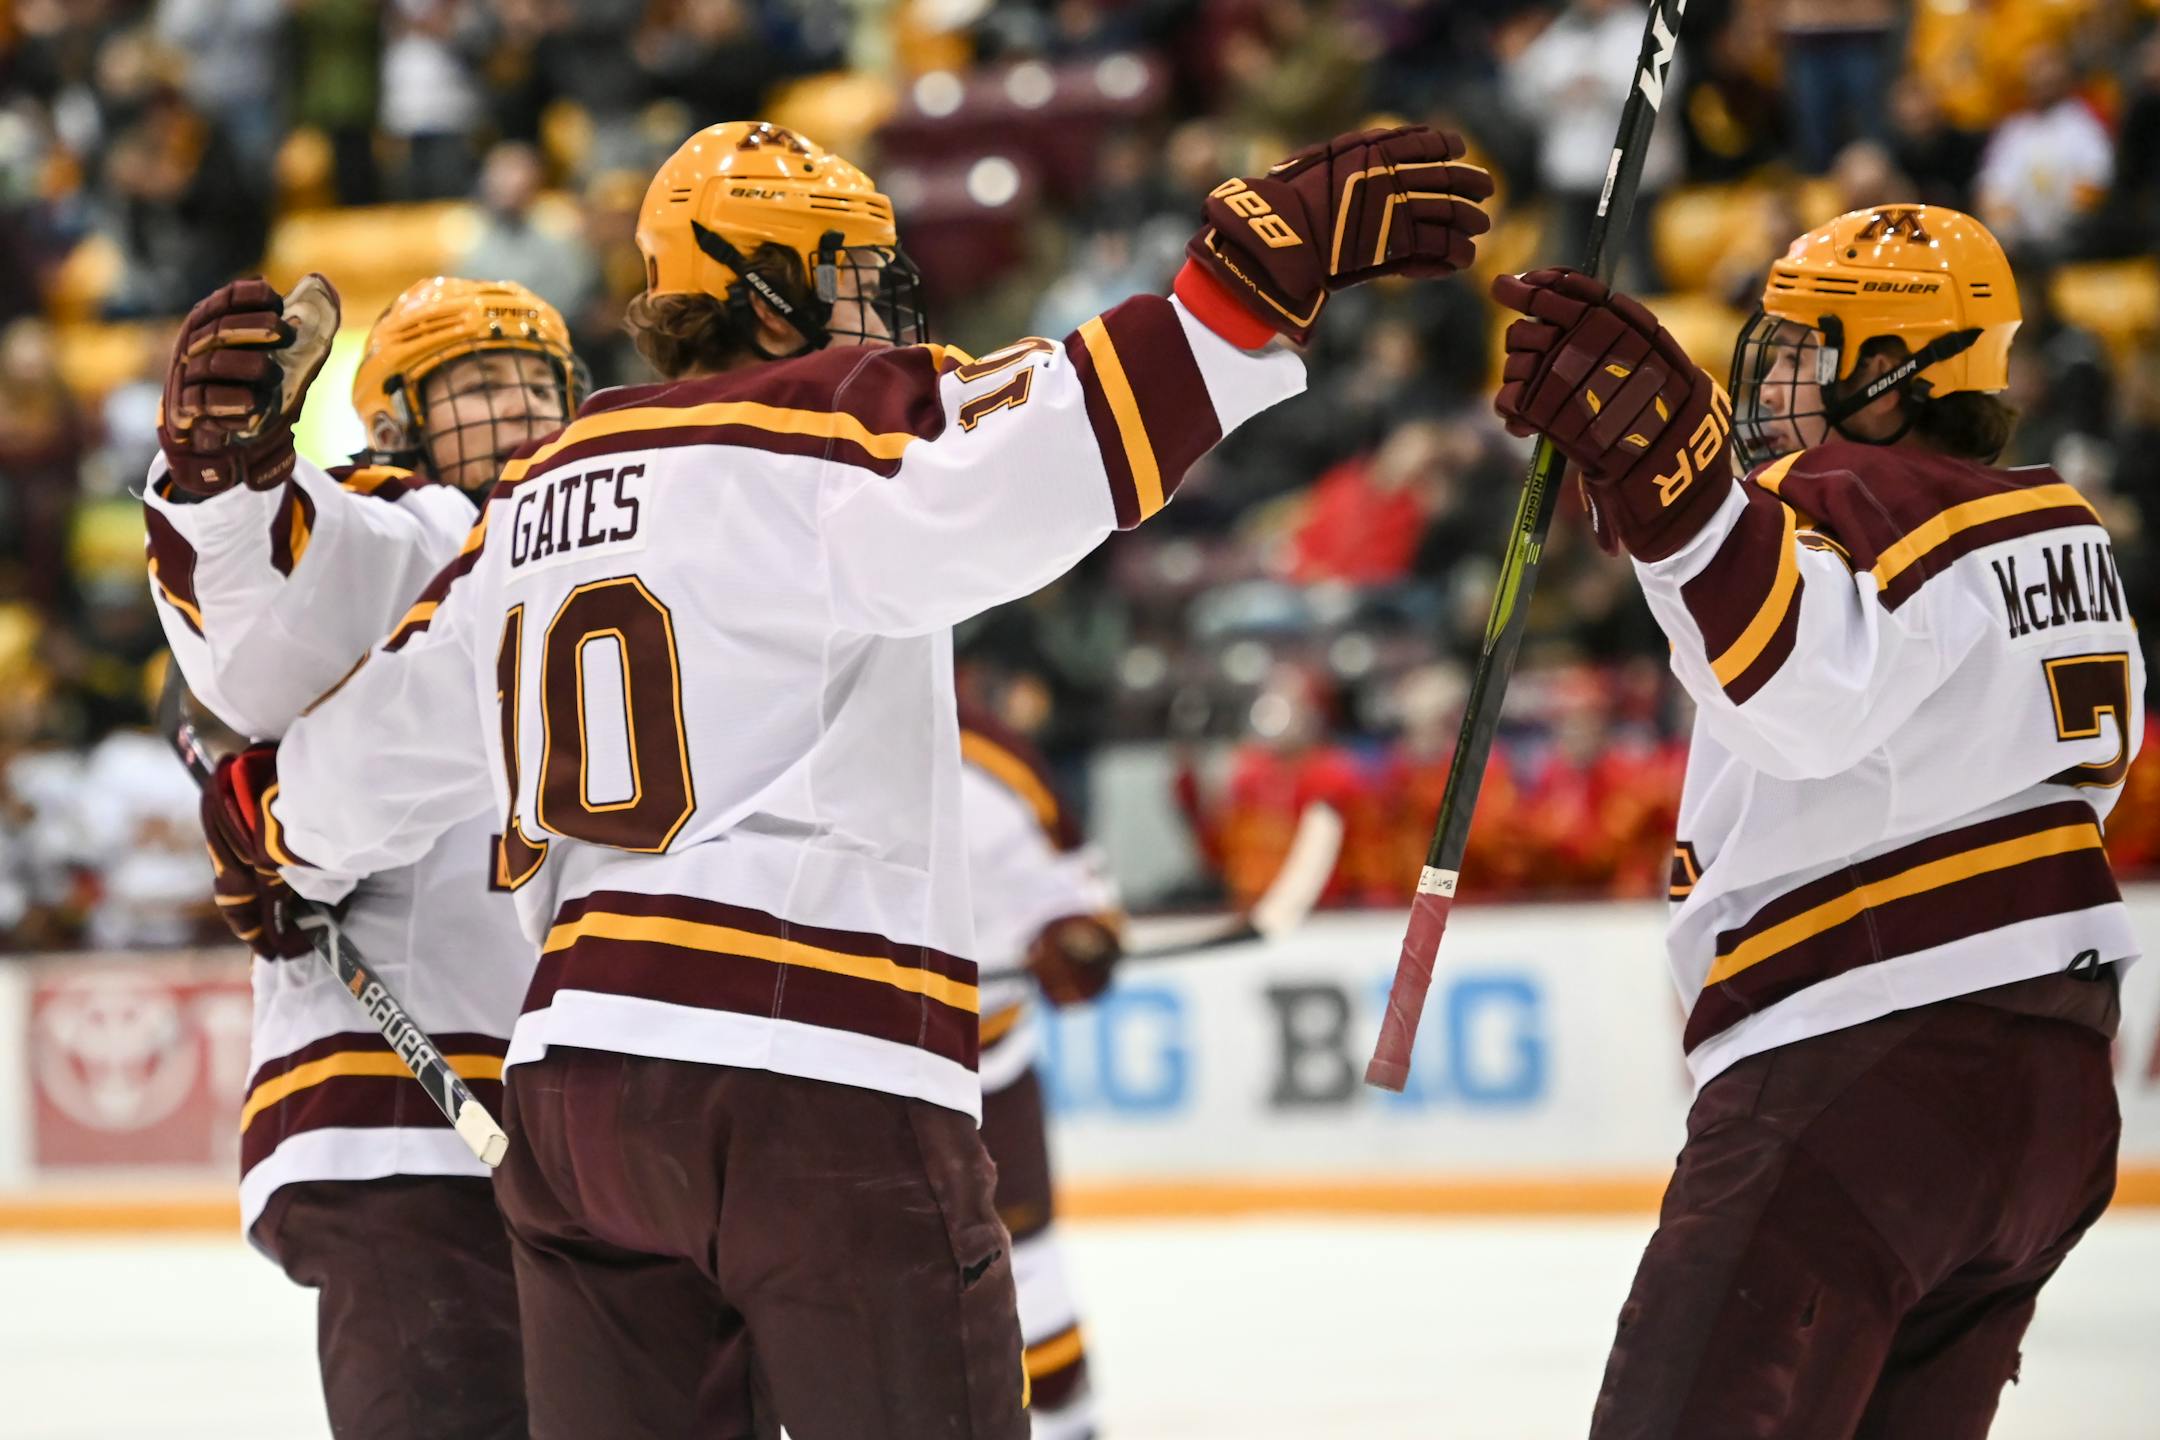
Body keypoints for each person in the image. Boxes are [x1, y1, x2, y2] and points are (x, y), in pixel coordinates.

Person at [190, 118, 1491, 1437]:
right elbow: (1059, 438)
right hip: (807, 1080)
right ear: (764, 286)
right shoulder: (830, 419)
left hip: (576, 1102)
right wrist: (1233, 298)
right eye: (851, 266)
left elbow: (384, 737)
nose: (882, 299)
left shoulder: (533, 494)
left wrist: (274, 837)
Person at [1487, 205, 2142, 1436]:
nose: (1773, 376)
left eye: (1806, 347)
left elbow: (1803, 691)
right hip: (2054, 1096)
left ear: (1895, 375)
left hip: (1862, 1079)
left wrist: (1679, 502)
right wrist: (1672, 516)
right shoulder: (2066, 528)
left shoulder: (1856, 485)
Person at [147, 272, 583, 1439]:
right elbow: (265, 623)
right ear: (395, 422)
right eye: (484, 382)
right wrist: (227, 481)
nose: (525, 408)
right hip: (406, 1120)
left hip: (603, 1133)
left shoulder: (617, 543)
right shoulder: (413, 527)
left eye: (540, 381)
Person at [958, 699, 1123, 1439]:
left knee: (1027, 1261)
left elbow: (1076, 897)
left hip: (984, 1062)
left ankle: (1069, 1420)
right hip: (834, 1071)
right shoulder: (767, 719)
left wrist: (1077, 940)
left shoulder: (987, 752)